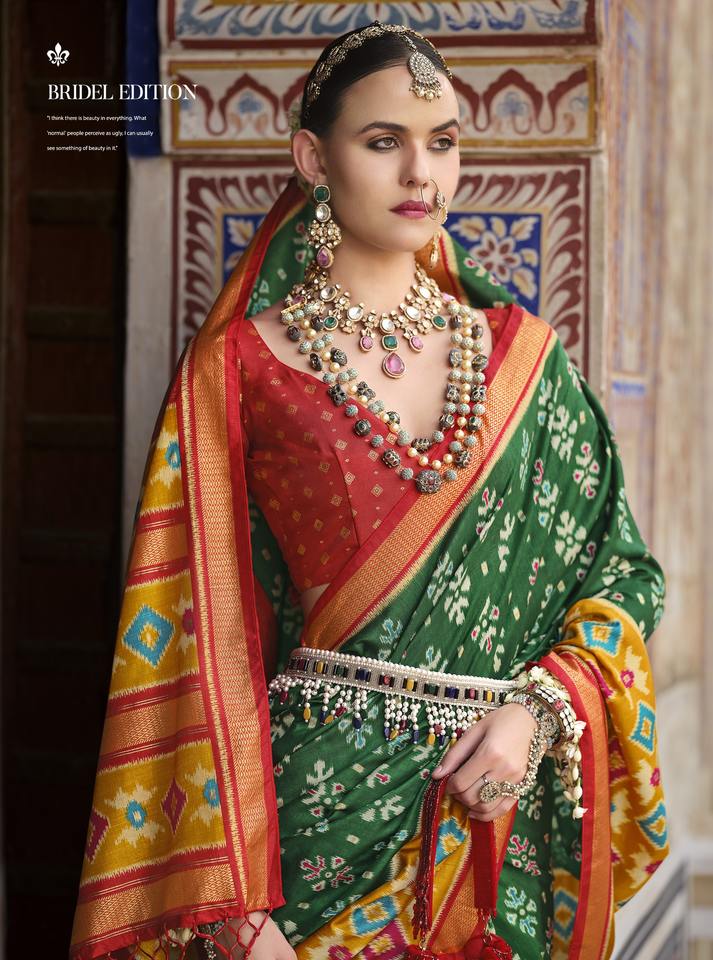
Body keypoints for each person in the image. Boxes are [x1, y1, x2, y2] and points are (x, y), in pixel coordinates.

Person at [70, 22, 669, 960]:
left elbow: (623, 577)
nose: (421, 174)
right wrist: (235, 910)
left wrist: (534, 712)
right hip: (310, 835)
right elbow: (195, 630)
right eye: (384, 141)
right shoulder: (239, 367)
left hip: (494, 826)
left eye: (443, 142)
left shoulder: (524, 362)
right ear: (314, 159)